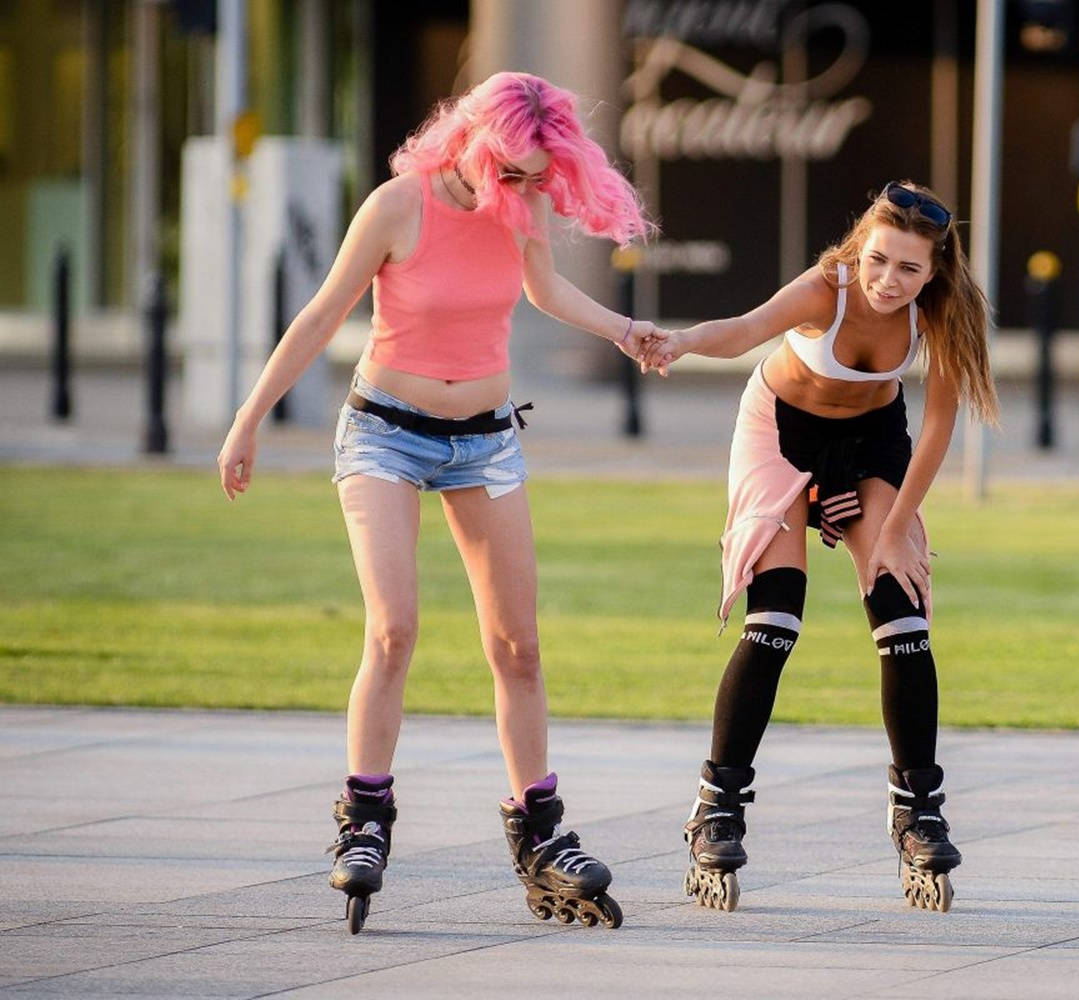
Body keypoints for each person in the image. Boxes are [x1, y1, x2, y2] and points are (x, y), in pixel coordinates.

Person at [216, 71, 655, 933]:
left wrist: (625, 331)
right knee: (394, 628)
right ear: (473, 141)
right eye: (515, 172)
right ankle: (365, 820)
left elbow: (546, 292)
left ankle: (540, 831)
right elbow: (318, 315)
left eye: (540, 177)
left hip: (485, 437)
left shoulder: (519, 208)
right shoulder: (397, 206)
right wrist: (248, 419)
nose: (527, 192)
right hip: (384, 431)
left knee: (518, 646)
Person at [640, 181, 1000, 914]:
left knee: (903, 614)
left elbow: (935, 430)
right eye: (878, 260)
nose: (887, 280)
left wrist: (897, 525)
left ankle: (919, 812)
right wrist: (678, 341)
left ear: (934, 272)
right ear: (859, 247)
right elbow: (743, 330)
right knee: (776, 621)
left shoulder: (940, 313)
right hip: (780, 431)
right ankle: (717, 806)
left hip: (871, 442)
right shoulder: (826, 288)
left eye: (907, 269)